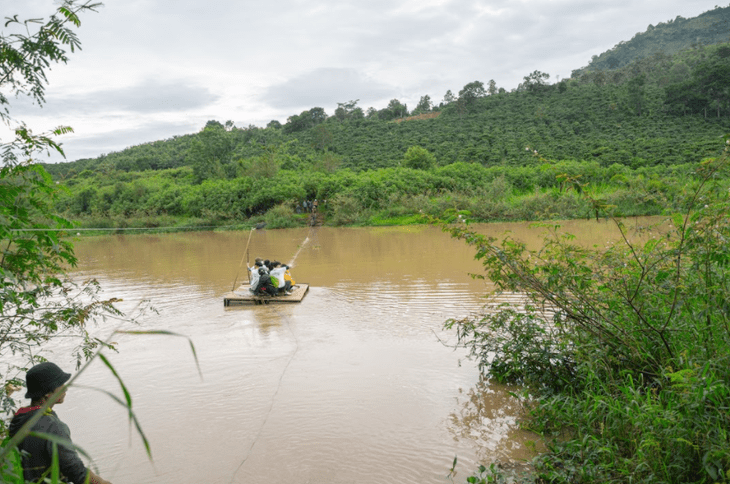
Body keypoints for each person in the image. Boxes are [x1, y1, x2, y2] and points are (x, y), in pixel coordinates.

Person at [9, 362, 113, 484]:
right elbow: (75, 471)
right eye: (61, 384)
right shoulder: (52, 426)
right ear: (48, 393)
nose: (66, 388)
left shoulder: (19, 419)